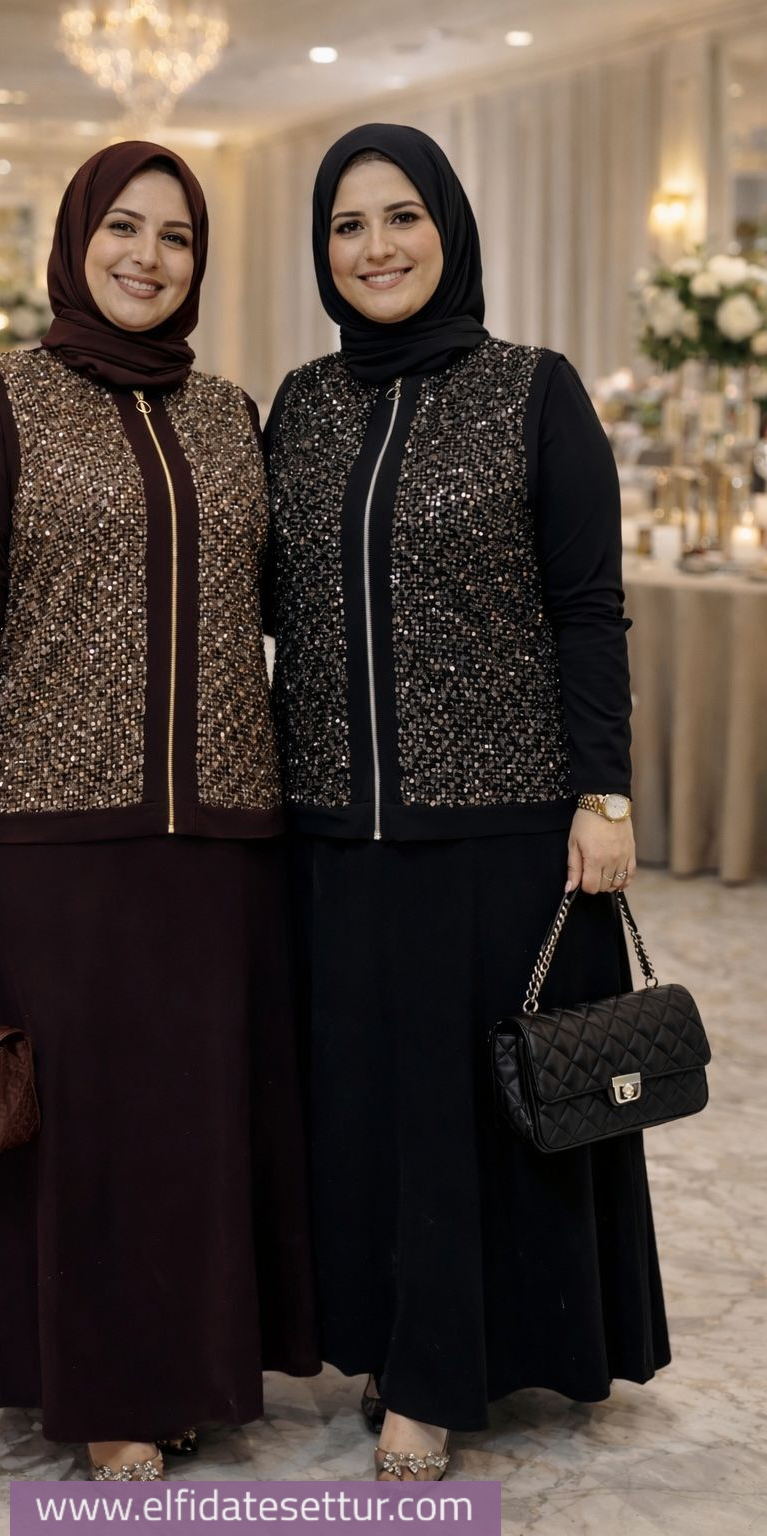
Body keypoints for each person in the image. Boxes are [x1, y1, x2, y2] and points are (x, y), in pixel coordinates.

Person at [0, 140, 318, 1482]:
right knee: (78, 1124)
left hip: (222, 833)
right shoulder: (1, 398)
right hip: (48, 826)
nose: (148, 256)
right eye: (124, 227)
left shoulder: (228, 412)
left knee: (191, 1115)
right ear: (78, 239)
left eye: (176, 237)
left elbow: (282, 604)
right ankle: (102, 1389)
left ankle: (188, 1363)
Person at [266, 123, 670, 1483]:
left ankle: (438, 1378)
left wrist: (604, 795)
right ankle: (388, 1335)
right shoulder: (303, 406)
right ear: (321, 249)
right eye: (347, 224)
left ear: (448, 228)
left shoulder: (533, 391)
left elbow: (588, 609)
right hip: (334, 831)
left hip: (499, 825)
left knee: (469, 1114)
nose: (375, 246)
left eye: (401, 217)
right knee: (365, 1107)